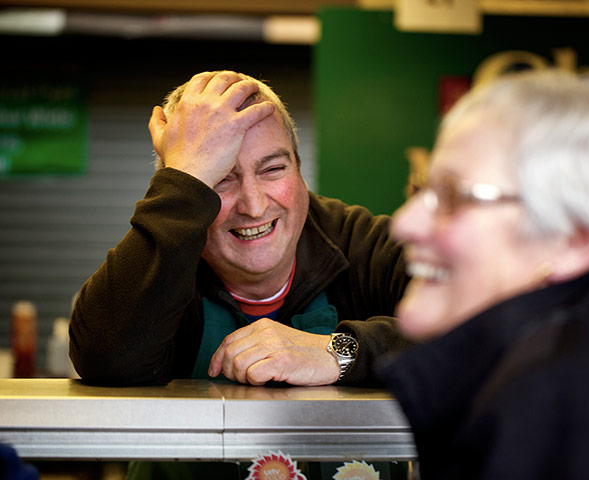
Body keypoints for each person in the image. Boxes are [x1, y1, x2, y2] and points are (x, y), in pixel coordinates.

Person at [381, 69, 589, 479]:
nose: (404, 223)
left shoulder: (577, 395)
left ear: (573, 238)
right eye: (423, 190)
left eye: (453, 196)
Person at [69, 70, 410, 387]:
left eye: (273, 169)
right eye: (220, 179)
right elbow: (103, 358)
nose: (254, 206)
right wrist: (185, 177)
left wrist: (340, 352)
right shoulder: (160, 258)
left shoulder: (367, 245)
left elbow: (462, 339)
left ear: (298, 168)